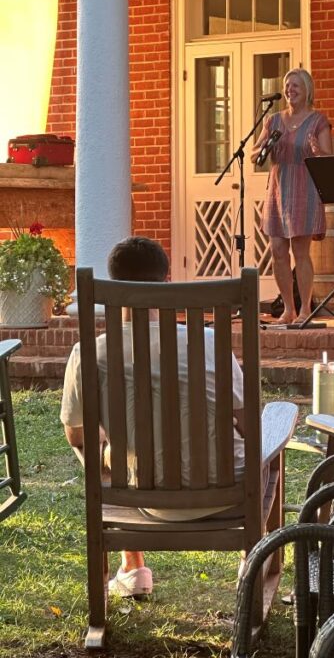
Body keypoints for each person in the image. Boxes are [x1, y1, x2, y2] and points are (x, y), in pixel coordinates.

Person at [60, 237, 247, 599]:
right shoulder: (210, 343)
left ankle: (133, 567)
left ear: (114, 287)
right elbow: (245, 425)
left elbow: (77, 438)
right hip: (227, 496)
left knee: (95, 449)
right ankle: (250, 560)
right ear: (167, 281)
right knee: (269, 445)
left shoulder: (87, 354)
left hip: (138, 497)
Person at [252, 68, 333, 324]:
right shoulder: (274, 120)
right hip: (278, 187)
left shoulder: (318, 120)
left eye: (296, 85)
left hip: (304, 187)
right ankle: (288, 308)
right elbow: (254, 155)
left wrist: (315, 148)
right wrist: (264, 147)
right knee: (277, 249)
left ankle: (305, 308)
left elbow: (329, 159)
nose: (290, 90)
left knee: (300, 250)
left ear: (307, 90)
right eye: (287, 85)